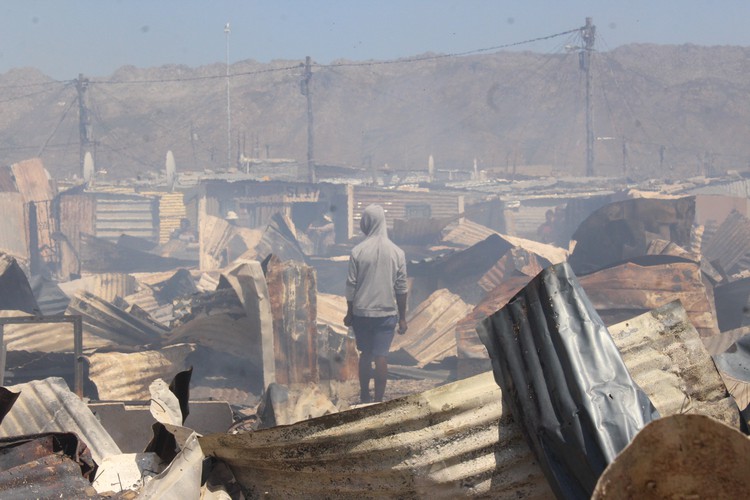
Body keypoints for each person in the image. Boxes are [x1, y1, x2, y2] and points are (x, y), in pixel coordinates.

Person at [344, 204, 408, 403]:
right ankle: (379, 401)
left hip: (362, 313)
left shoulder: (358, 251)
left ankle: (364, 396)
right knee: (381, 356)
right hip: (387, 313)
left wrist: (349, 312)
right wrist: (403, 318)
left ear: (367, 222)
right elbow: (402, 288)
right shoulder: (397, 253)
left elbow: (351, 285)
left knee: (365, 354)